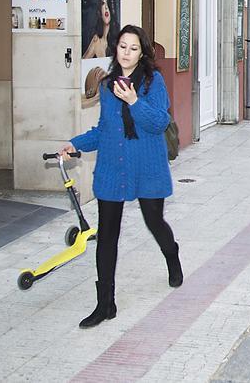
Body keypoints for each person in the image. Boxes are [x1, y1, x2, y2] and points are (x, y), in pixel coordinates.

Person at [60, 25, 182, 330]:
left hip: (147, 166)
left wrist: (133, 101)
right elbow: (104, 129)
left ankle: (172, 253)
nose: (126, 53)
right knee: (108, 237)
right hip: (113, 168)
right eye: (123, 47)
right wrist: (75, 143)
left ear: (142, 53)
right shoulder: (106, 84)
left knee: (155, 221)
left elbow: (159, 122)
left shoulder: (153, 82)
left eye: (133, 48)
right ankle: (105, 304)